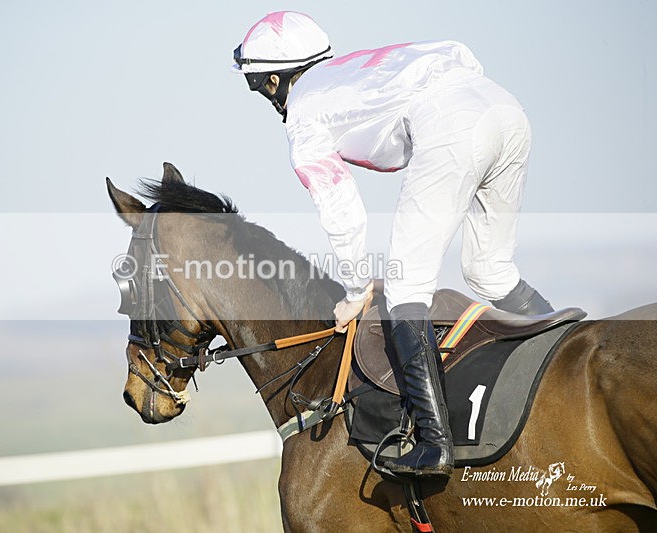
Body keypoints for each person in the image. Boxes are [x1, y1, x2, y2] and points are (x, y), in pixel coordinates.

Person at [232, 11, 553, 478]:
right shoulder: (347, 73)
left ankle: (433, 444)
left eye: (259, 85)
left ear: (275, 81)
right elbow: (458, 52)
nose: (264, 95)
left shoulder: (302, 113)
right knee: (489, 270)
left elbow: (342, 210)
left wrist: (356, 290)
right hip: (505, 110)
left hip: (452, 128)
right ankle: (556, 341)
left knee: (405, 289)